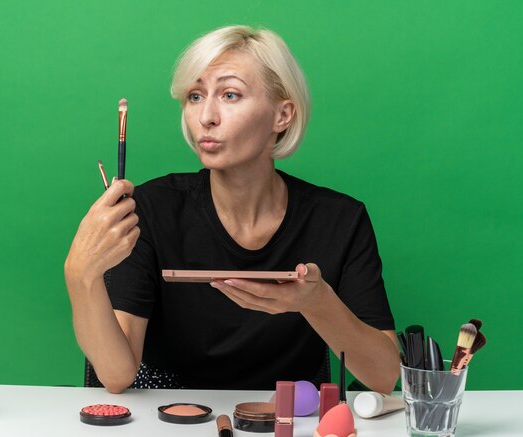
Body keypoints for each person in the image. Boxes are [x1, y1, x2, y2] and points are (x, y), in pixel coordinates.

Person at [65, 25, 401, 394]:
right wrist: (80, 273)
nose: (206, 116)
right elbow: (116, 375)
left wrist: (316, 301)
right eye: (195, 96)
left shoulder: (339, 220)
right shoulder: (149, 209)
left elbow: (385, 377)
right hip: (167, 417)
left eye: (230, 94)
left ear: (282, 115)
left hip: (292, 417)